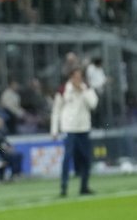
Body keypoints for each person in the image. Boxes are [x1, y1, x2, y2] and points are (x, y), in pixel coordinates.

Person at [51, 68, 97, 197]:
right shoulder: (63, 90)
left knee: (86, 158)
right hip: (69, 128)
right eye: (76, 77)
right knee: (67, 157)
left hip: (83, 127)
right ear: (71, 77)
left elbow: (93, 104)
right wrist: (54, 129)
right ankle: (64, 187)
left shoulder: (87, 88)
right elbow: (56, 110)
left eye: (80, 77)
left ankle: (84, 186)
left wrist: (84, 91)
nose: (78, 79)